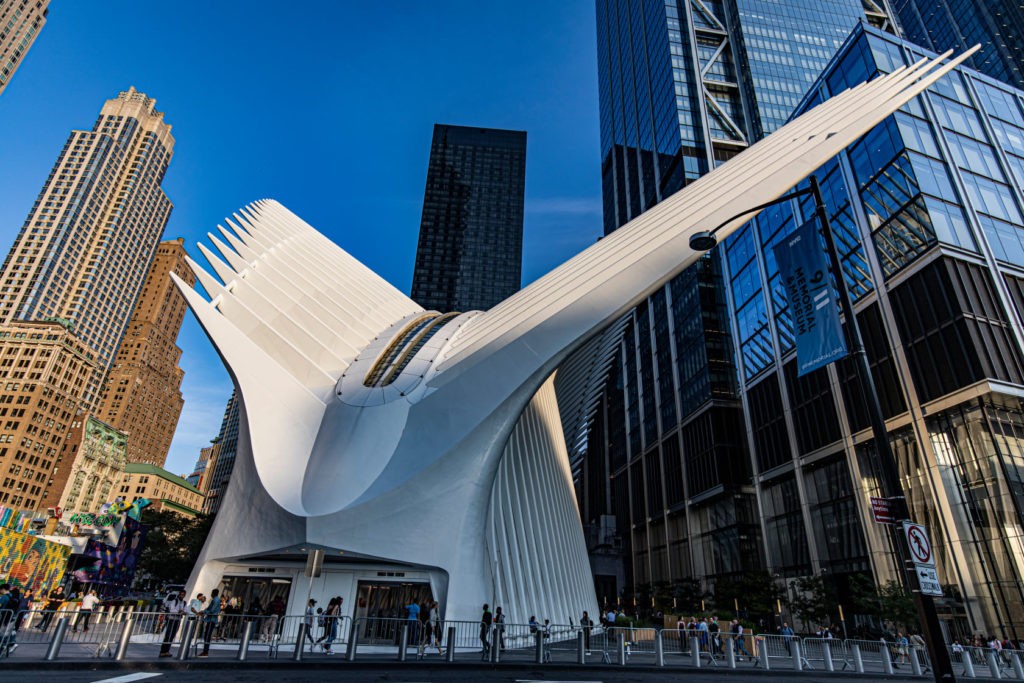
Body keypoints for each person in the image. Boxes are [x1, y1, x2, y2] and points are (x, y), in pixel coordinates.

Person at [159, 590, 188, 657]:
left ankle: (167, 651)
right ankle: (162, 651)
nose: (182, 596)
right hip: (171, 620)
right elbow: (172, 610)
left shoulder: (184, 603)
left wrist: (183, 612)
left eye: (183, 595)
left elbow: (186, 611)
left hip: (177, 620)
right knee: (168, 635)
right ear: (179, 594)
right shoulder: (174, 601)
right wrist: (179, 611)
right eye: (181, 594)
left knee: (172, 636)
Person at [198, 588, 221, 657]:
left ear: (213, 593)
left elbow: (212, 610)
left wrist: (204, 611)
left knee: (207, 635)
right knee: (207, 635)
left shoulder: (215, 600)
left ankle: (205, 652)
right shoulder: (215, 600)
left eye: (211, 593)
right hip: (211, 619)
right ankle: (205, 651)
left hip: (212, 619)